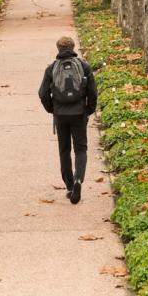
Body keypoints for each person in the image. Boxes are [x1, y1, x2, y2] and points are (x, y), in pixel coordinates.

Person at [38, 36, 98, 204]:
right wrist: (89, 110)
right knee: (81, 149)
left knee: (64, 150)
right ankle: (79, 179)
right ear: (73, 47)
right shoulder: (84, 66)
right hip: (79, 113)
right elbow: (93, 92)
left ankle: (70, 186)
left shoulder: (51, 69)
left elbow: (42, 93)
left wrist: (52, 109)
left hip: (60, 114)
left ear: (58, 49)